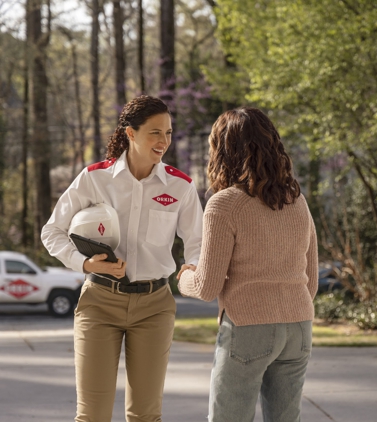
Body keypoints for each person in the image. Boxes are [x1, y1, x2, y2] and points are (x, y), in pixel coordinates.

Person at [41, 95, 203, 422]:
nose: (164, 141)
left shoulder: (180, 186)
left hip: (155, 305)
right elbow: (52, 232)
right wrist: (85, 264)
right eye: (155, 133)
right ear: (130, 133)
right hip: (99, 302)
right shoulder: (94, 178)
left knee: (145, 415)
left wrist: (192, 268)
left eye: (169, 133)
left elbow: (198, 242)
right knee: (92, 416)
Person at [177, 107, 319, 422]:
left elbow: (206, 286)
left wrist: (184, 275)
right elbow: (311, 280)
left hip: (248, 325)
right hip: (299, 325)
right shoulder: (296, 201)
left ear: (223, 151)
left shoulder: (224, 203)